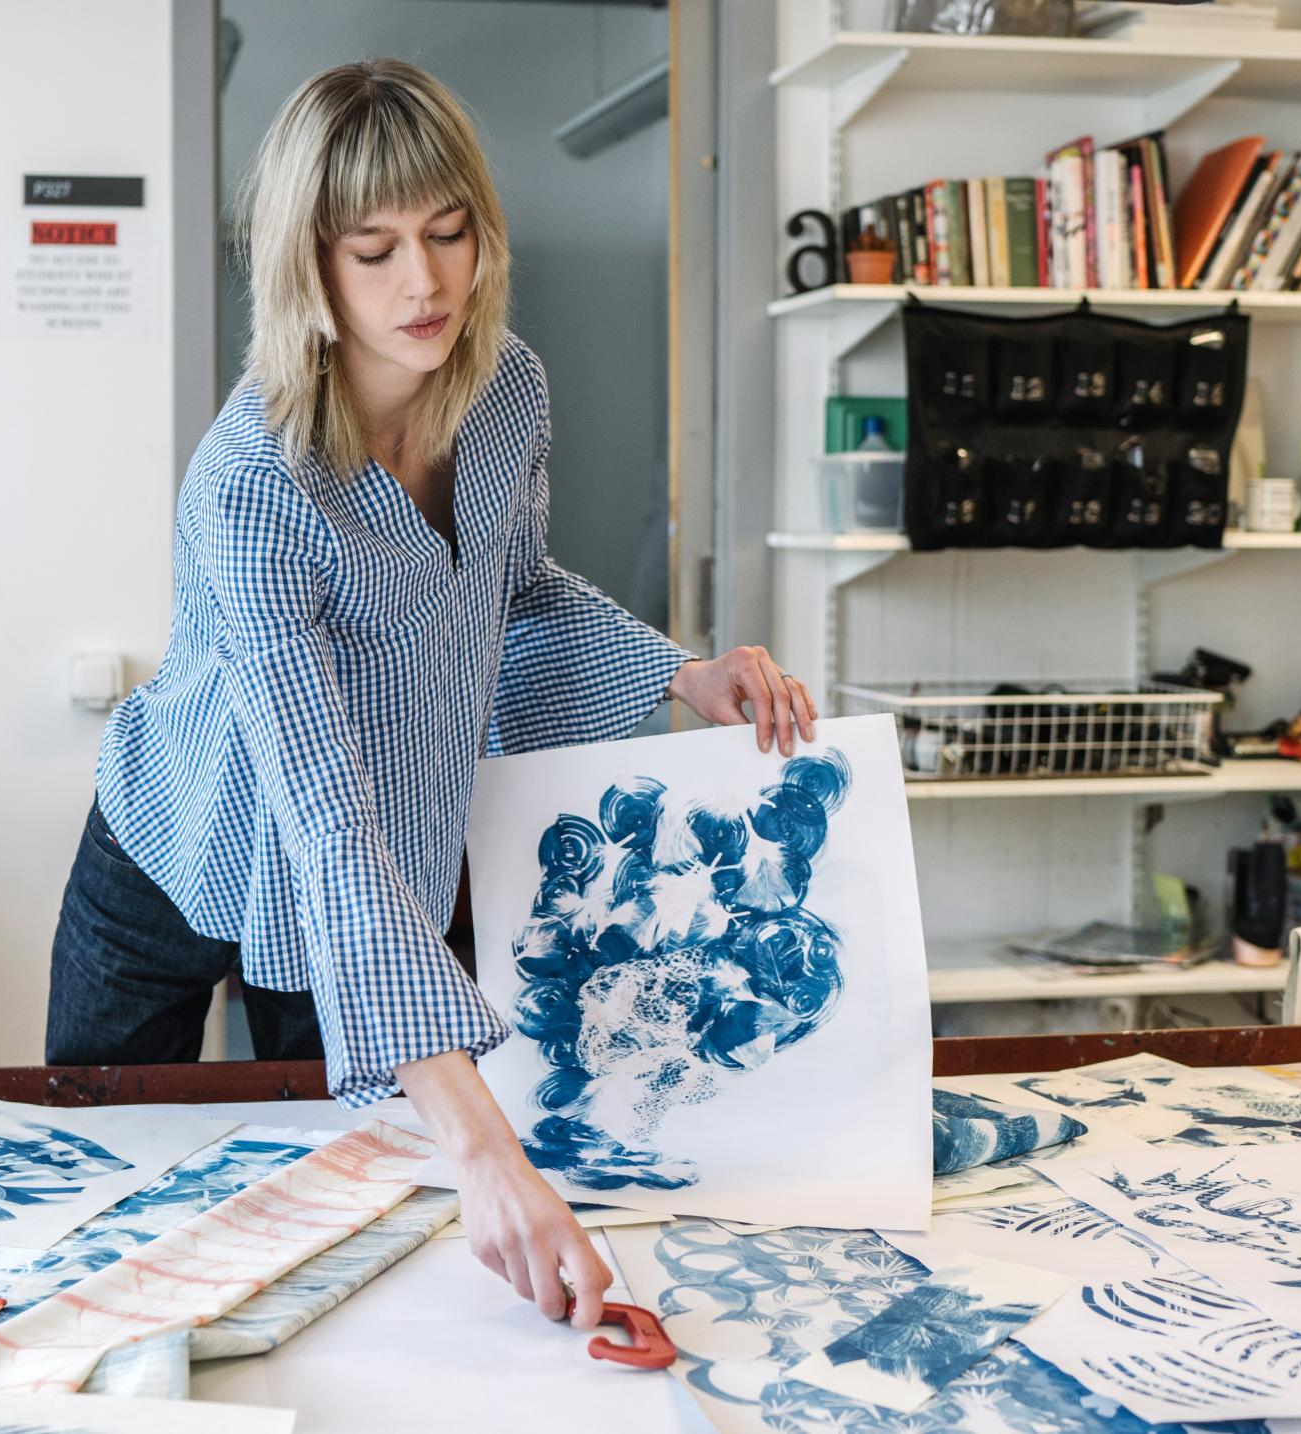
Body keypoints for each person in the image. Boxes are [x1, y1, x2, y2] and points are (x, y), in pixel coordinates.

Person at [45, 60, 817, 1332]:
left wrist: (685, 675)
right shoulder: (251, 492)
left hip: (366, 869)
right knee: (101, 1198)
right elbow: (322, 818)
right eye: (376, 248)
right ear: (312, 264)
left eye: (449, 232)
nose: (426, 283)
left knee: (340, 1218)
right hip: (175, 854)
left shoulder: (505, 392)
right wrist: (488, 1148)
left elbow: (514, 594)